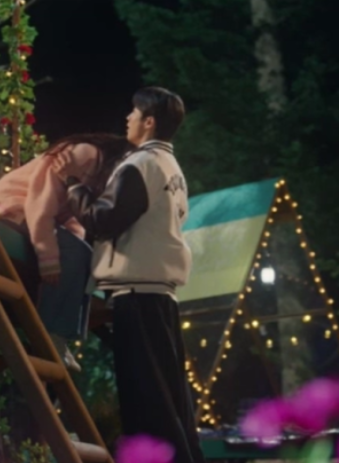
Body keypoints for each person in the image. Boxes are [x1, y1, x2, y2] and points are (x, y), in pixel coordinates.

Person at [64, 87, 204, 463]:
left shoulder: (141, 163)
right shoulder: (172, 168)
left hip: (137, 292)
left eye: (134, 112)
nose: (127, 118)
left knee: (146, 399)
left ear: (149, 122)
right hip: (161, 294)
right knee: (170, 398)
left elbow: (103, 219)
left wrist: (74, 187)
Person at [0, 133, 135, 371]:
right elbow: (40, 204)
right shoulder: (84, 156)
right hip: (11, 206)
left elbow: (71, 213)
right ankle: (49, 333)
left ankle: (60, 337)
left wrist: (72, 245)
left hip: (33, 212)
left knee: (84, 257)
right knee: (77, 255)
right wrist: (49, 258)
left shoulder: (100, 174)